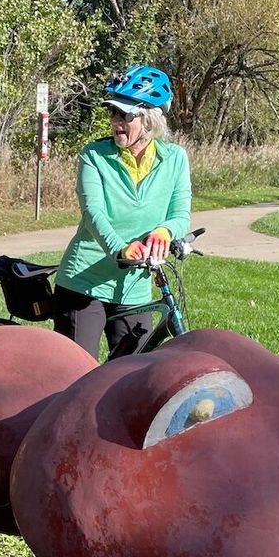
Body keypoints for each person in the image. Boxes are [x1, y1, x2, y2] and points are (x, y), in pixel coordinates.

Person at [54, 65, 192, 359]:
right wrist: (120, 250)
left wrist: (165, 231)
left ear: (150, 119)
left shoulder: (175, 159)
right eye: (113, 112)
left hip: (134, 289)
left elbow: (181, 214)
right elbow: (93, 213)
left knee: (132, 375)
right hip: (83, 285)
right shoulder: (94, 155)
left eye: (125, 115)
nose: (116, 121)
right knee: (79, 374)